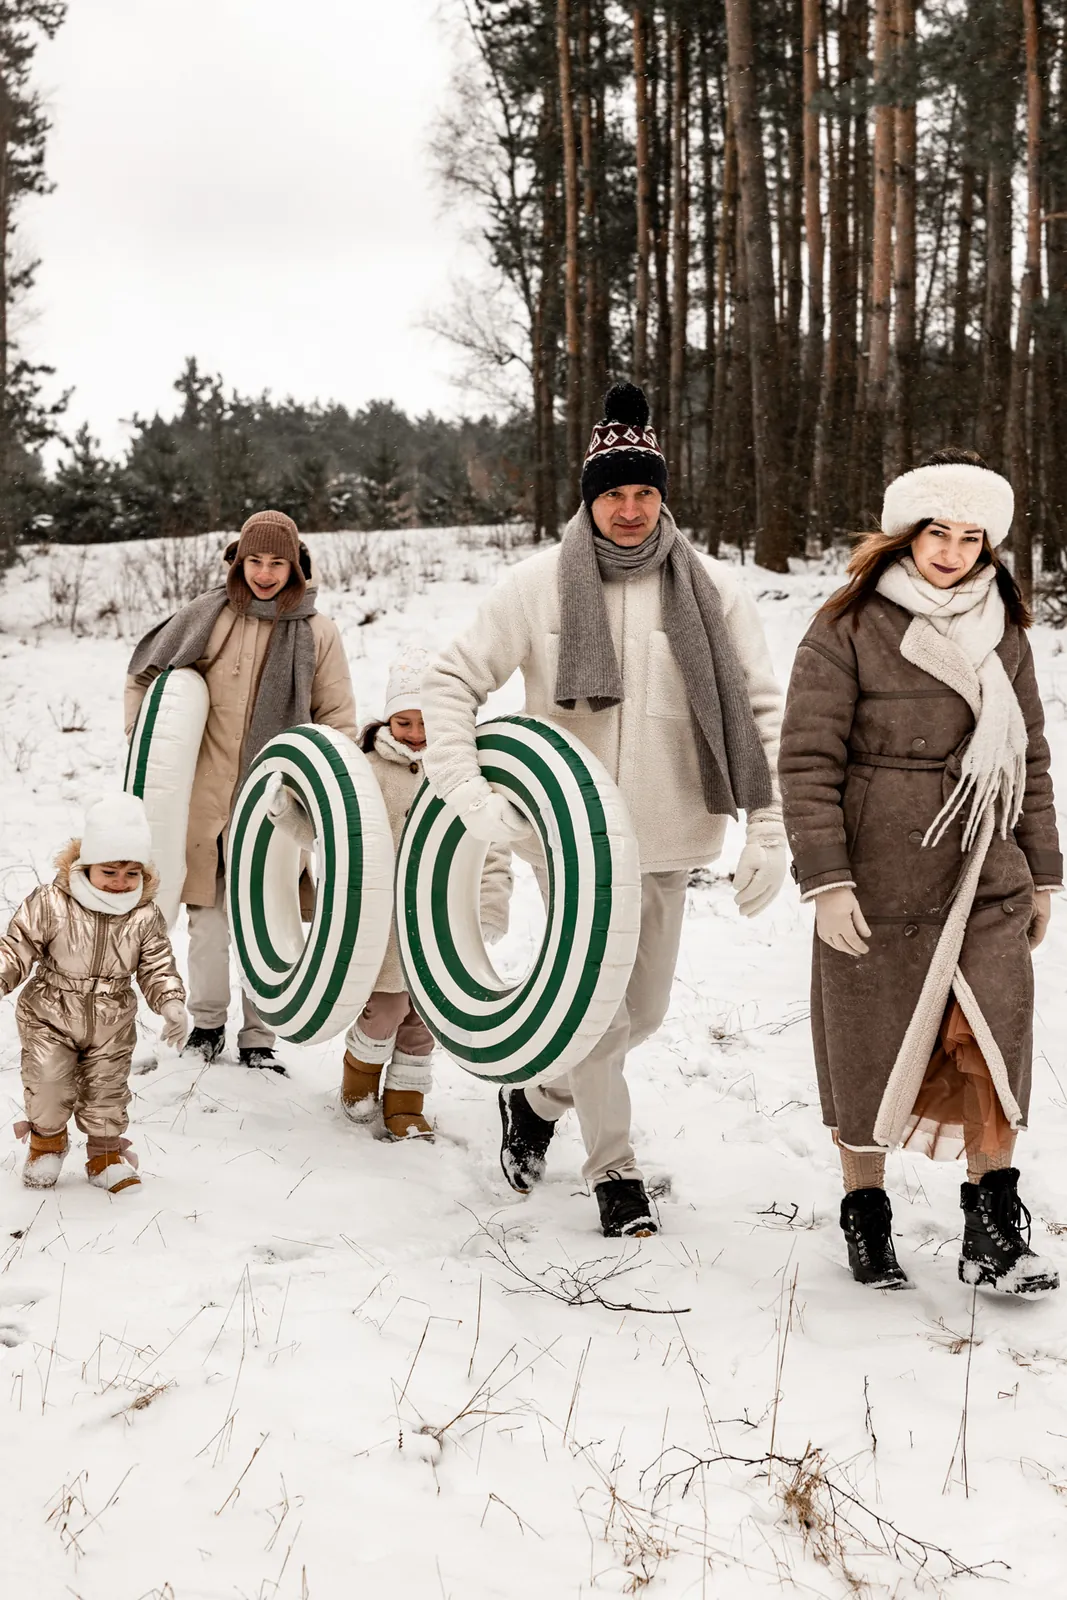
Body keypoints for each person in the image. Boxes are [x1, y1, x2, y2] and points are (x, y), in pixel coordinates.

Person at [421, 382, 786, 1238]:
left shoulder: (712, 591)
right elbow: (449, 683)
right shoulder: (536, 586)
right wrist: (471, 796)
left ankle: (537, 1097)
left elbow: (761, 707)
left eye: (643, 493)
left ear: (663, 496)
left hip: (668, 834)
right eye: (612, 494)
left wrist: (768, 825)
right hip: (571, 843)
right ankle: (613, 1171)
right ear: (589, 499)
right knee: (603, 1011)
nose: (628, 510)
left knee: (643, 1012)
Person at [779, 449, 1061, 1295]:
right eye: (937, 532)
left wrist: (1043, 874)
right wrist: (825, 880)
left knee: (992, 1047)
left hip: (984, 868)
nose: (951, 551)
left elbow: (1032, 759)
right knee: (870, 1049)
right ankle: (865, 1216)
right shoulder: (846, 626)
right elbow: (804, 761)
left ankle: (991, 1229)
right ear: (905, 533)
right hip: (877, 873)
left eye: (970, 537)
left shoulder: (1001, 631)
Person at [125, 509, 357, 1076]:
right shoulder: (208, 616)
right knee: (207, 919)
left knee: (266, 914)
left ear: (296, 565)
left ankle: (259, 1036)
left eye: (278, 562)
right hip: (205, 796)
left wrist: (322, 791)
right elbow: (146, 676)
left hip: (276, 800)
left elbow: (338, 718)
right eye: (255, 560)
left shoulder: (316, 631)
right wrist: (144, 743)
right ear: (238, 559)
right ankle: (207, 1025)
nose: (265, 573)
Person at [322, 647, 512, 1139]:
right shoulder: (365, 769)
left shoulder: (465, 776)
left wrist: (489, 906)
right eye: (404, 722)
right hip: (383, 924)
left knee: (424, 1017)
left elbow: (490, 846)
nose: (416, 734)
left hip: (440, 918)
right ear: (388, 720)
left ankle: (406, 1098)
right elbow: (334, 826)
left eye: (426, 722)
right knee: (385, 1008)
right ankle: (359, 1077)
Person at [6, 794, 188, 1193]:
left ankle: (105, 1154)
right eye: (110, 871)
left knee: (108, 1091)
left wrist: (171, 1001)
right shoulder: (53, 902)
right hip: (49, 1013)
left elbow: (157, 963)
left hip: (112, 1020)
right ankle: (46, 1144)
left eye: (131, 873)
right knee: (49, 1083)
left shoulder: (143, 913)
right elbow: (16, 947)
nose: (121, 883)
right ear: (86, 866)